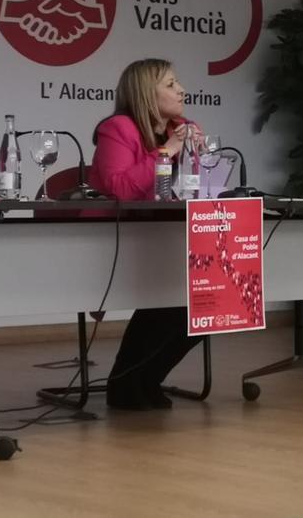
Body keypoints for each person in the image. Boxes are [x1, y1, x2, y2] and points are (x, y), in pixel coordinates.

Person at [89, 58, 204, 410]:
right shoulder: (118, 129)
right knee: (167, 299)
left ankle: (146, 379)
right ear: (145, 93)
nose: (181, 90)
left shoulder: (182, 130)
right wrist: (166, 154)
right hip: (116, 240)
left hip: (167, 236)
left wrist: (200, 155)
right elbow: (120, 189)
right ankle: (125, 385)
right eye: (170, 84)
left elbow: (195, 189)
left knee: (207, 301)